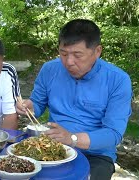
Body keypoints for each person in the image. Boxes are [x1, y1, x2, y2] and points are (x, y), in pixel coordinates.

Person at [16, 19, 132, 180]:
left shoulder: (118, 80)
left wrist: (72, 139)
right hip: (52, 146)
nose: (69, 62)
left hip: (96, 156)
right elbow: (38, 103)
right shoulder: (50, 69)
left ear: (97, 51)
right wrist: (29, 106)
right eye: (63, 54)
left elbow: (113, 133)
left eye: (77, 55)